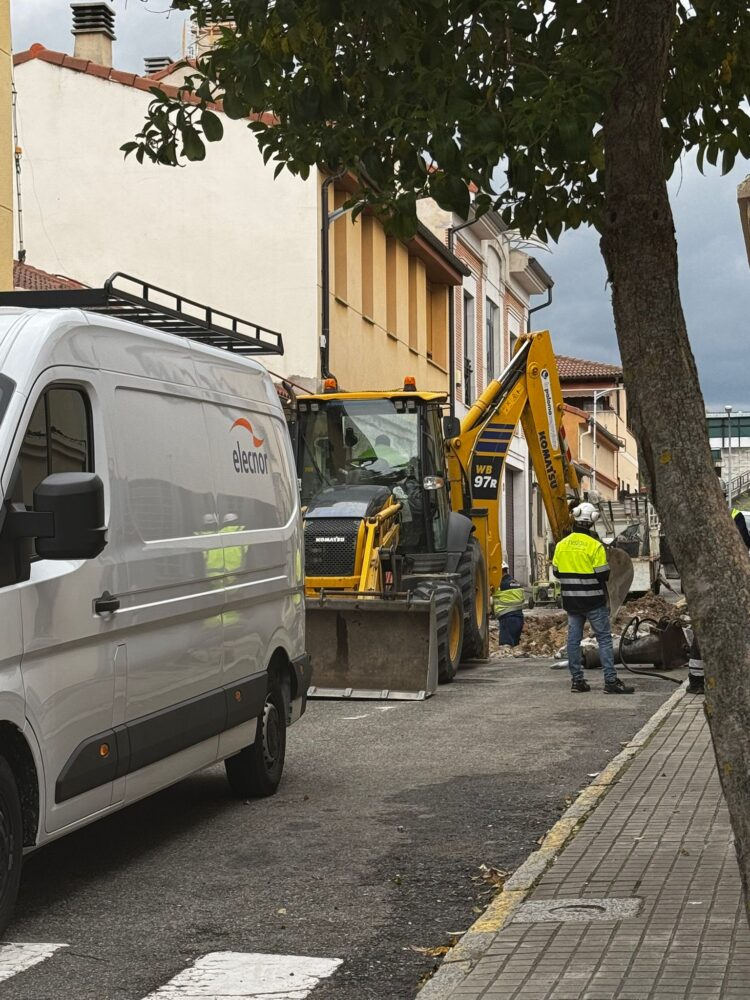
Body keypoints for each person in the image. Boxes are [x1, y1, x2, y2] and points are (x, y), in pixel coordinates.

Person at [552, 501, 635, 695]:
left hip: (572, 601)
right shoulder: (595, 547)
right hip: (593, 601)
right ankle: (610, 681)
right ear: (592, 522)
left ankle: (577, 681)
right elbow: (603, 574)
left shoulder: (561, 545)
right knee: (604, 639)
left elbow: (557, 572)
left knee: (573, 641)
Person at [493, 561, 525, 646]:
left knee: (505, 647)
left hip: (507, 619)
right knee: (514, 647)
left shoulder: (499, 585)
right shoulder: (516, 583)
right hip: (519, 618)